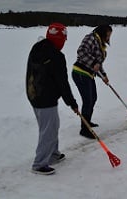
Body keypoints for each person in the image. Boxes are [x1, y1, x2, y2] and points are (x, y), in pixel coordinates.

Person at [26, 23, 79, 175]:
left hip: (33, 93)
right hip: (45, 98)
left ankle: (53, 154)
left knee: (52, 126)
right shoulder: (57, 56)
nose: (65, 41)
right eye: (64, 38)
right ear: (59, 38)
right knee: (48, 130)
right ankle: (39, 164)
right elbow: (62, 83)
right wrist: (72, 103)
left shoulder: (37, 48)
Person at [72, 25, 112, 139]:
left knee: (93, 98)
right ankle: (84, 129)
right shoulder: (91, 38)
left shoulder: (101, 45)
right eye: (108, 34)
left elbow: (98, 65)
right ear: (103, 33)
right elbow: (81, 51)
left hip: (88, 75)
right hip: (80, 72)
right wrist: (94, 62)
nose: (109, 37)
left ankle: (87, 122)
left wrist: (103, 75)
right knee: (88, 100)